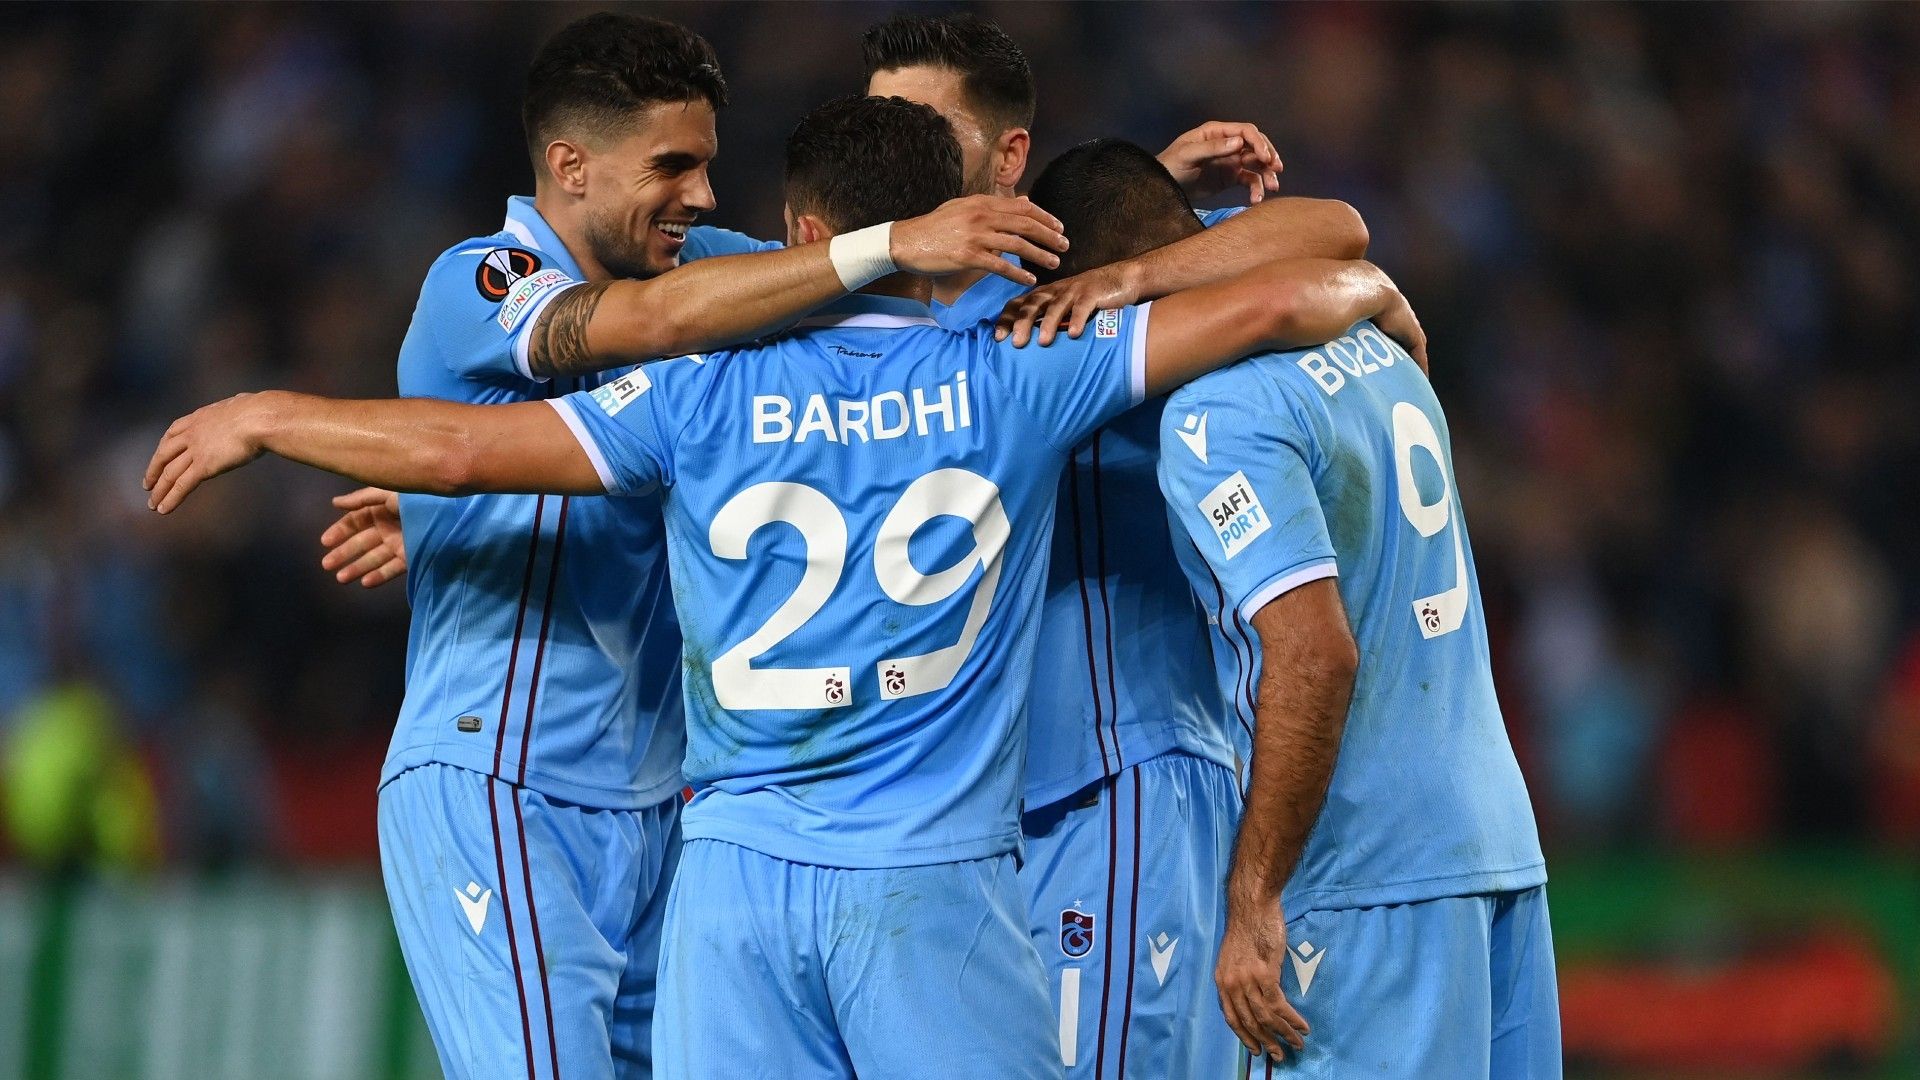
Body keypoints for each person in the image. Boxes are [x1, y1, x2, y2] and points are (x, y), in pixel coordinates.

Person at [144, 94, 1420, 1079]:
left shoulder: (696, 391)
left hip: (733, 889)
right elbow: (1288, 293)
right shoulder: (1025, 370)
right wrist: (1367, 295)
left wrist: (271, 414)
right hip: (933, 880)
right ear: (953, 224)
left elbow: (462, 451)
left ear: (804, 235)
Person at [318, 13, 1067, 1080]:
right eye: (672, 166)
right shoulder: (480, 278)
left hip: (661, 802)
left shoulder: (708, 267)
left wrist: (1106, 213)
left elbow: (882, 290)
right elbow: (651, 326)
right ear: (571, 166)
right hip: (505, 780)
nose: (704, 196)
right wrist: (893, 243)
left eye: (709, 165)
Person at [864, 14, 1378, 1076]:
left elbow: (1331, 231)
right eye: (876, 125)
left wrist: (1146, 260)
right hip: (978, 812)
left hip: (1120, 778)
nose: (891, 150)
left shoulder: (1077, 291)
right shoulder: (865, 296)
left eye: (923, 127)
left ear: (1009, 158)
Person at [1018, 142, 1552, 1076]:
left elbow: (1314, 654)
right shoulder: (1368, 343)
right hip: (1496, 845)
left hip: (1363, 874)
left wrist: (1255, 897)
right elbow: (1332, 234)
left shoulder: (1214, 418)